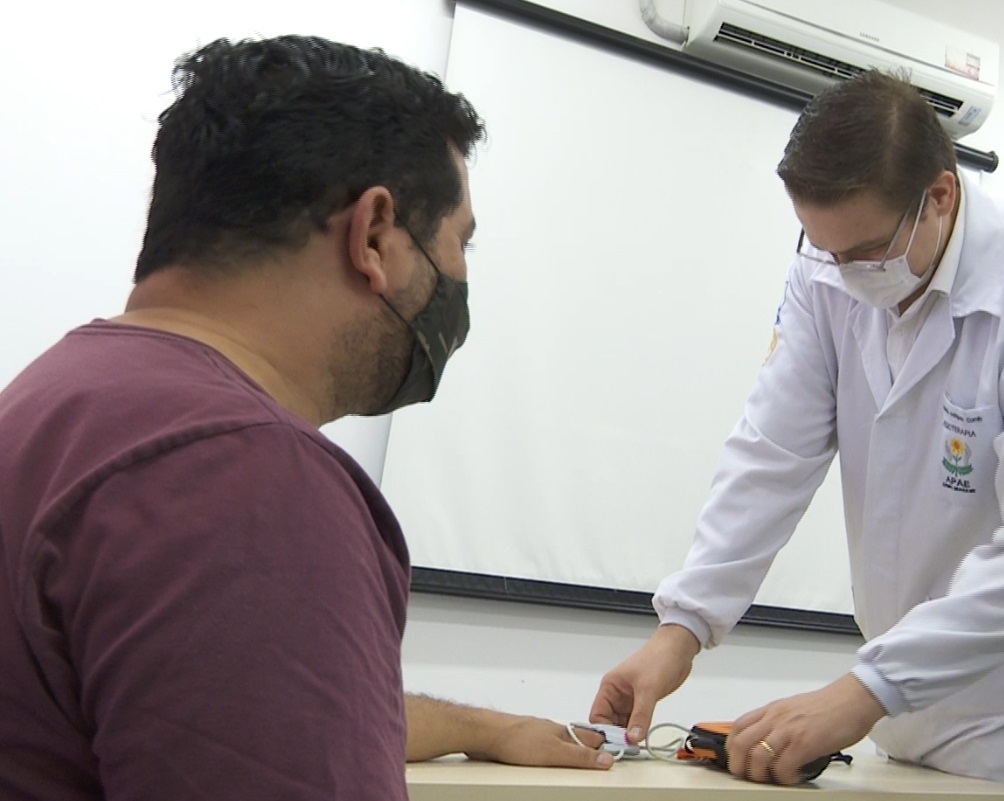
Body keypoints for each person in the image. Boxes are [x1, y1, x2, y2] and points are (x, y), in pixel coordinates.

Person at [0, 35, 611, 801]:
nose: (458, 276)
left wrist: (481, 725)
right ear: (376, 234)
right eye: (459, 243)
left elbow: (209, 702)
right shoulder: (245, 476)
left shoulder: (61, 400)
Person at [591, 71, 1004, 801]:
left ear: (939, 196)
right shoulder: (824, 274)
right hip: (899, 718)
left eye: (866, 250)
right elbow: (771, 455)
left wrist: (863, 689)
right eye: (824, 249)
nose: (845, 274)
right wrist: (680, 629)